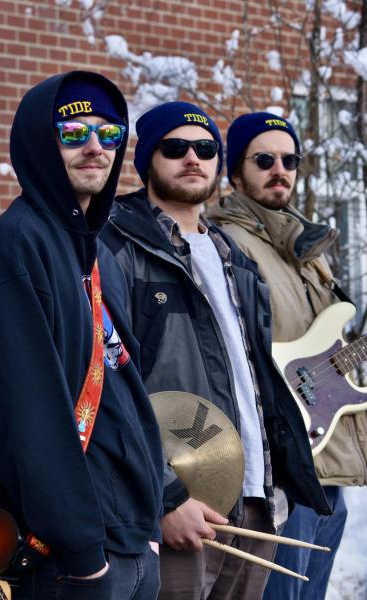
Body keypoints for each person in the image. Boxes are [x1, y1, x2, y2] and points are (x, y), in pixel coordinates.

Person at [101, 101, 331, 600]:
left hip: (253, 501)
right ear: (147, 160)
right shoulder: (115, 247)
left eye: (204, 148)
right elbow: (107, 389)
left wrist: (275, 485)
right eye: (175, 147)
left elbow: (257, 382)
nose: (192, 158)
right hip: (181, 502)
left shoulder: (234, 260)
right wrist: (163, 497)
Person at [0, 71, 164, 600]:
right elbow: (28, 413)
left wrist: (148, 529)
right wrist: (84, 557)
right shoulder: (15, 247)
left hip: (129, 543)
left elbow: (127, 390)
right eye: (74, 132)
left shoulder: (99, 253)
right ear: (39, 139)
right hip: (72, 564)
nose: (95, 147)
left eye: (109, 133)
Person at [209, 111, 367, 599]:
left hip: (326, 463)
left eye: (289, 159)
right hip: (281, 472)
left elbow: (325, 344)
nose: (280, 169)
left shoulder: (304, 244)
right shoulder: (226, 244)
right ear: (236, 173)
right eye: (264, 159)